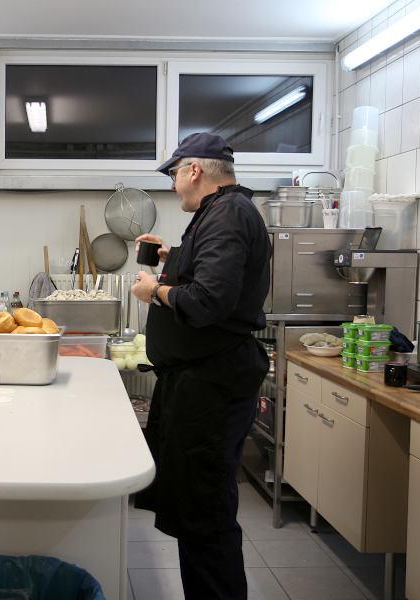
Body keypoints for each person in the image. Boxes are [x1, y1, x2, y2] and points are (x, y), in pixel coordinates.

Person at [131, 133, 271, 600]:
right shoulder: (221, 213)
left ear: (194, 170)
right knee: (195, 505)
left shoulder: (229, 214)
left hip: (213, 382)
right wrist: (174, 256)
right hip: (201, 379)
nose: (173, 186)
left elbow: (209, 300)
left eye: (173, 175)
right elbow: (213, 274)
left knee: (205, 511)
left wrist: (155, 290)